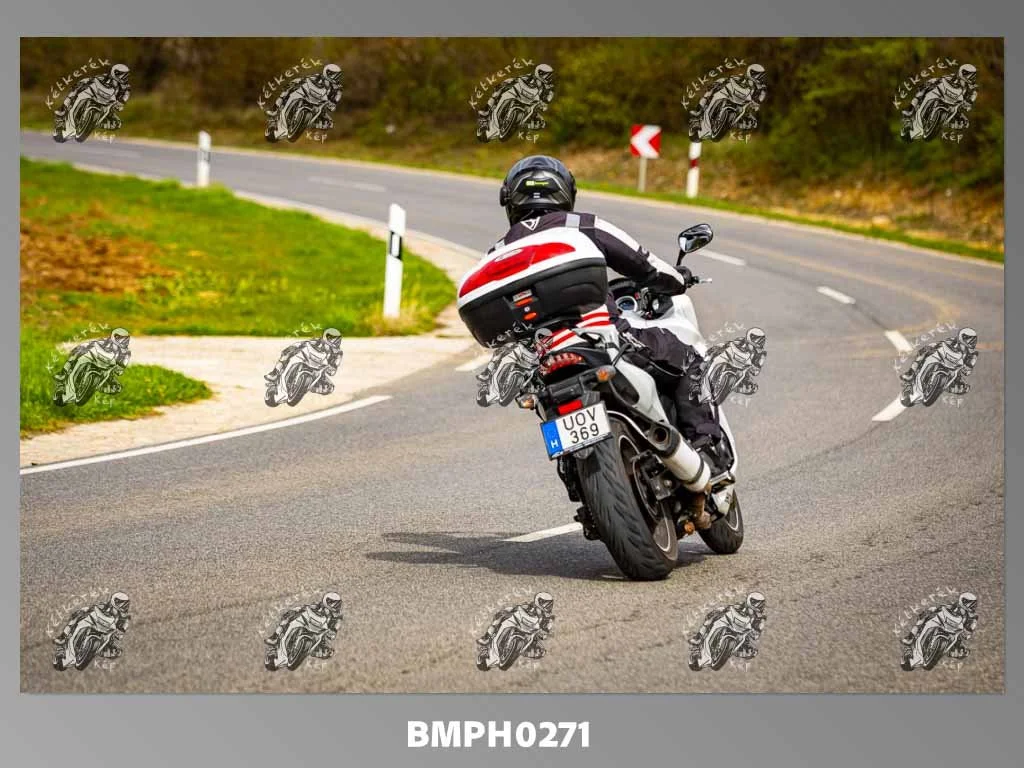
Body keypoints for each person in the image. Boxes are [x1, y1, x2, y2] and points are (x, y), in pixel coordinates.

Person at [489, 155, 719, 527]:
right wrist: (677, 279)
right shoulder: (582, 225)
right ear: (566, 193)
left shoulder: (498, 252)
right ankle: (706, 448)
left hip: (545, 360)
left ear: (509, 200)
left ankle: (580, 485)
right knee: (689, 358)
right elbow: (644, 264)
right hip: (606, 339)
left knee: (547, 407)